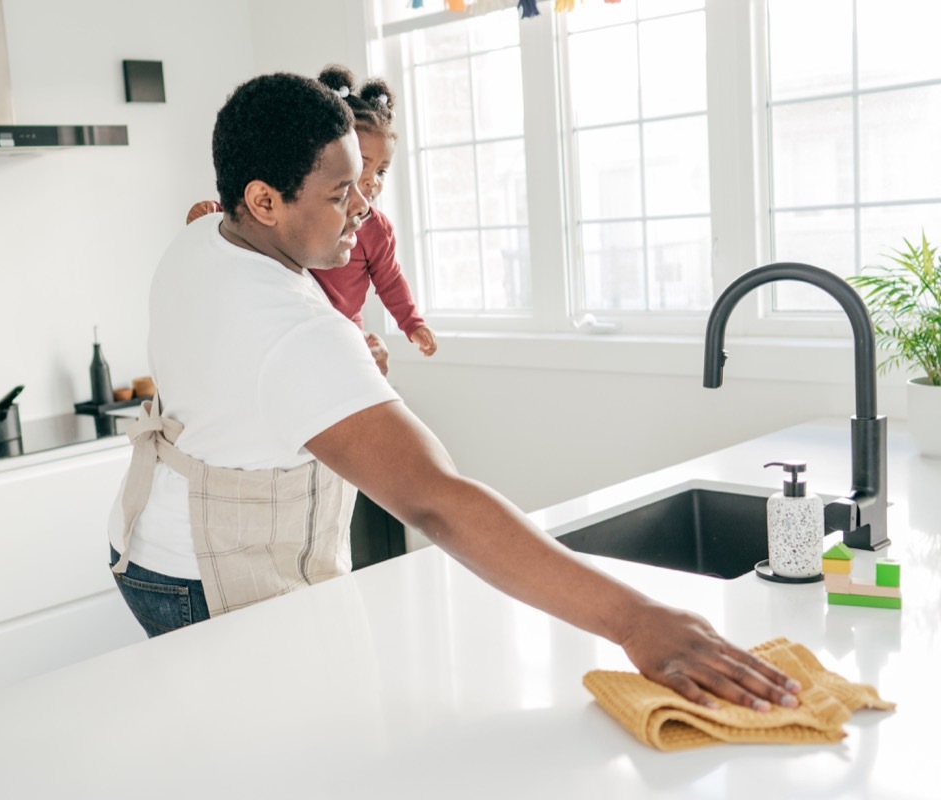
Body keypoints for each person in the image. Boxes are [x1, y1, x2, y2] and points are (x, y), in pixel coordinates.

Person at [109, 72, 801, 715]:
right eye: (339, 192)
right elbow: (437, 502)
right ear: (263, 200)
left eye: (363, 181)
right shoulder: (300, 334)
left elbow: (241, 371)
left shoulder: (204, 238)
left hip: (149, 554)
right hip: (219, 586)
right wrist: (637, 620)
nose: (363, 208)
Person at [187, 65, 438, 362]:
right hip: (298, 320)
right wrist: (214, 211)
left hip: (346, 325)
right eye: (361, 167)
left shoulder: (378, 231)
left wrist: (411, 322)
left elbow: (391, 280)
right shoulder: (290, 223)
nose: (372, 180)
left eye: (382, 171)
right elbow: (247, 216)